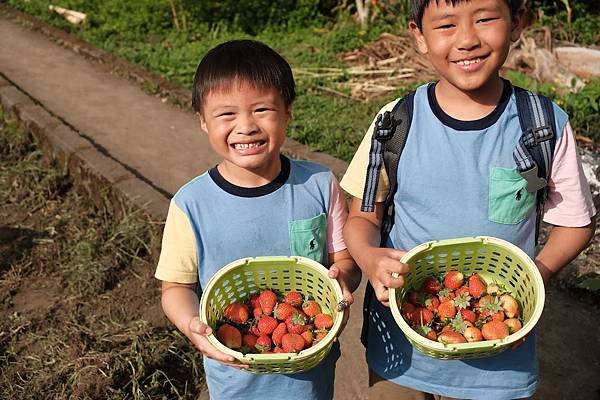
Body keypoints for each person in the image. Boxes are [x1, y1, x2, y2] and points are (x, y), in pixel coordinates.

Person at [340, 0, 597, 399]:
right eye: (446, 25)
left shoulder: (542, 125)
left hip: (499, 358)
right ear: (419, 36)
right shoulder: (395, 122)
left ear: (517, 23)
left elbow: (575, 222)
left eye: (485, 19)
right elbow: (363, 218)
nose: (467, 40)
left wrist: (538, 275)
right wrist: (369, 258)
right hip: (404, 343)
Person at [154, 39, 361, 400]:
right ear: (203, 121)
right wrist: (193, 326)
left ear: (287, 113)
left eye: (262, 109)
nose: (246, 126)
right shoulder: (191, 204)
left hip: (310, 370)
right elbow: (175, 289)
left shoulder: (318, 183)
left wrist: (341, 280)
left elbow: (343, 260)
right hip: (234, 377)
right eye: (226, 114)